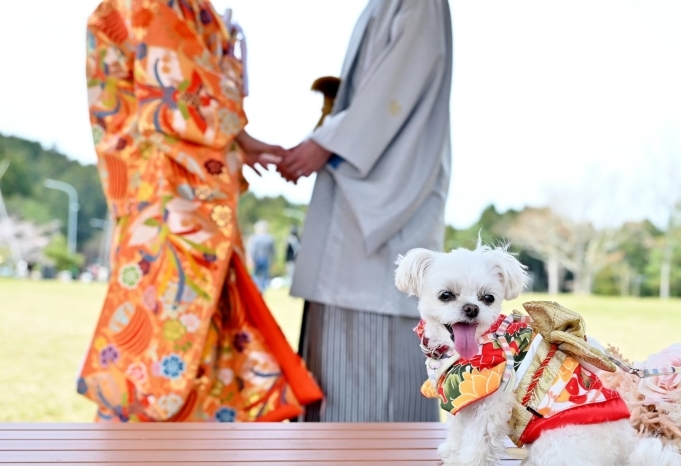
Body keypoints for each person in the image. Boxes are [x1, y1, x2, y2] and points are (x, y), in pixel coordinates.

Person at [78, 0, 322, 422]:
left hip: (181, 186)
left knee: (186, 315)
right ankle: (159, 441)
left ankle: (189, 441)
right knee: (171, 311)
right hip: (171, 191)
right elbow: (173, 84)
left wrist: (237, 137)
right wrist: (239, 135)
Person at [280, 0, 453, 422]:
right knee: (340, 376)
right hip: (357, 207)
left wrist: (327, 141)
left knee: (375, 385)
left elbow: (395, 86)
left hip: (381, 213)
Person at [246, 220, 275, 293]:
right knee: (263, 275)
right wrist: (272, 261)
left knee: (256, 274)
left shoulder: (254, 238)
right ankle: (261, 288)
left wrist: (250, 259)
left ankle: (257, 288)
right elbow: (272, 251)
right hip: (265, 259)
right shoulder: (269, 238)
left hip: (257, 258)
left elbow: (251, 250)